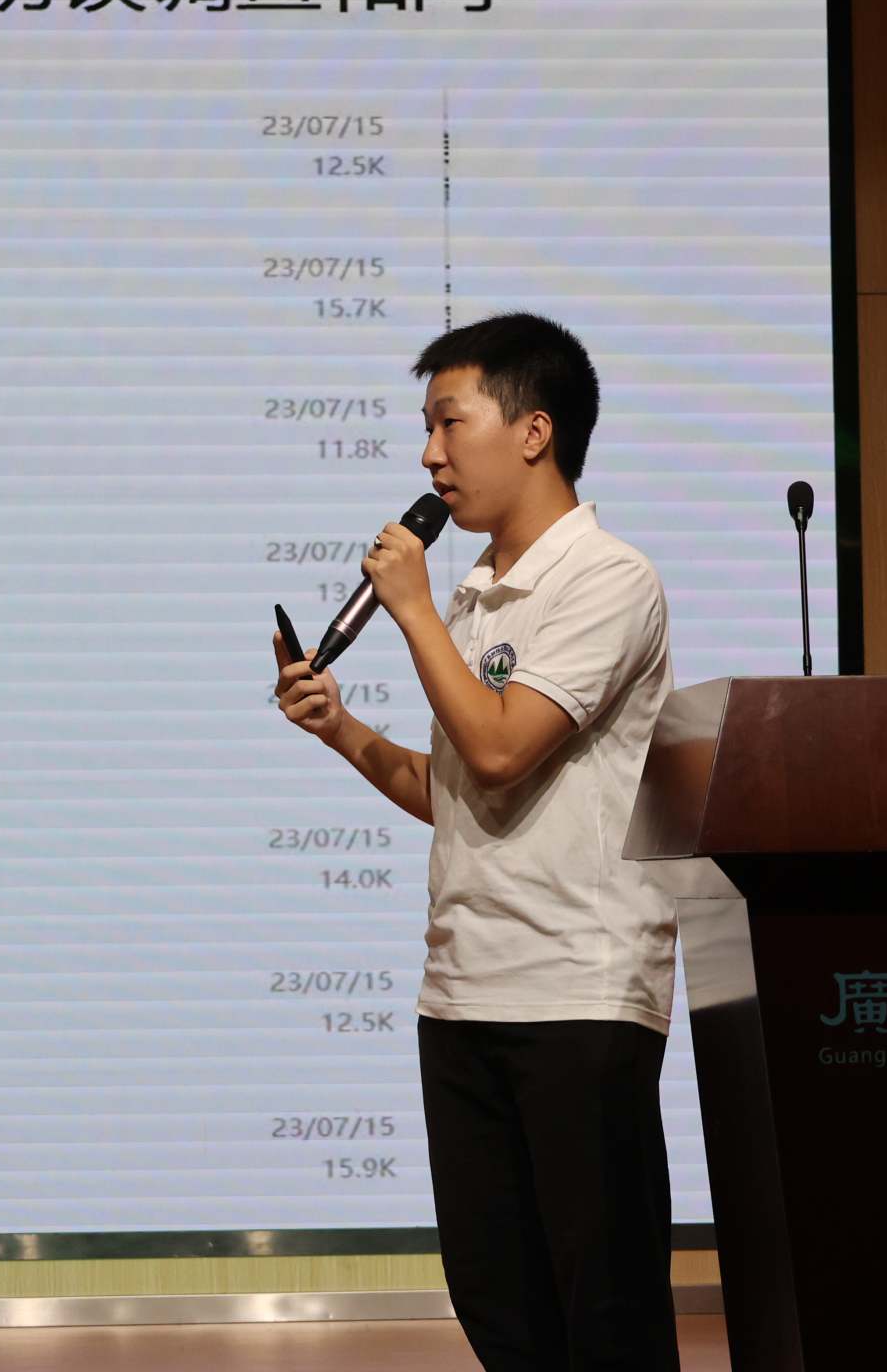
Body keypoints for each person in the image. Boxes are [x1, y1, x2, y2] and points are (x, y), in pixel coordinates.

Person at [272, 312, 681, 1371]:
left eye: (448, 423)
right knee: (505, 1316)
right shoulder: (474, 596)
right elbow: (454, 789)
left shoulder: (608, 578)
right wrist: (342, 730)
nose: (429, 455)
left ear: (534, 431)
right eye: (427, 428)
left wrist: (412, 611)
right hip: (462, 996)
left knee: (605, 1320)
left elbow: (500, 750)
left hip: (577, 993)